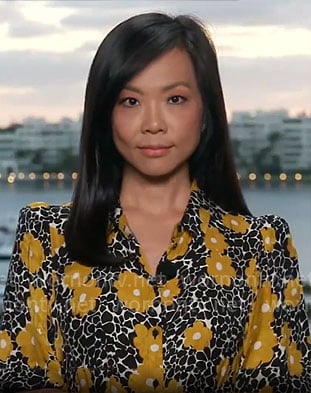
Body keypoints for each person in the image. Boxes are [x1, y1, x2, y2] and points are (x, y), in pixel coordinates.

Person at [0, 12, 310, 393]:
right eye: (130, 101)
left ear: (205, 111)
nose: (153, 123)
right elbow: (23, 376)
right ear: (105, 115)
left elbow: (280, 382)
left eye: (175, 99)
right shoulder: (45, 237)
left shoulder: (262, 245)